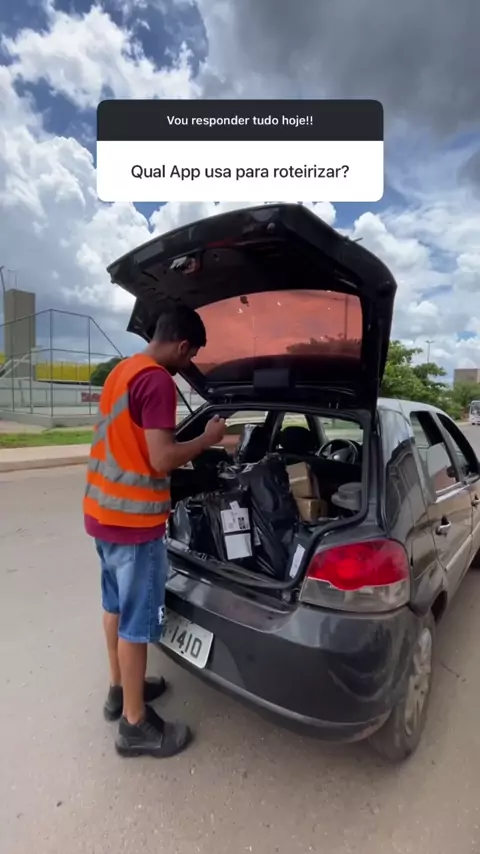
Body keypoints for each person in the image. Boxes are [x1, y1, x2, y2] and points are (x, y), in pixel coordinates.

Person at [83, 299, 226, 758]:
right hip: (134, 524)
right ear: (182, 346)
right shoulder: (158, 381)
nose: (190, 364)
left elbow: (130, 443)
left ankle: (119, 689)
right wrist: (207, 439)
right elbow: (162, 459)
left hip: (103, 513)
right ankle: (135, 724)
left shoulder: (122, 372)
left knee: (114, 607)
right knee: (135, 623)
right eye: (192, 355)